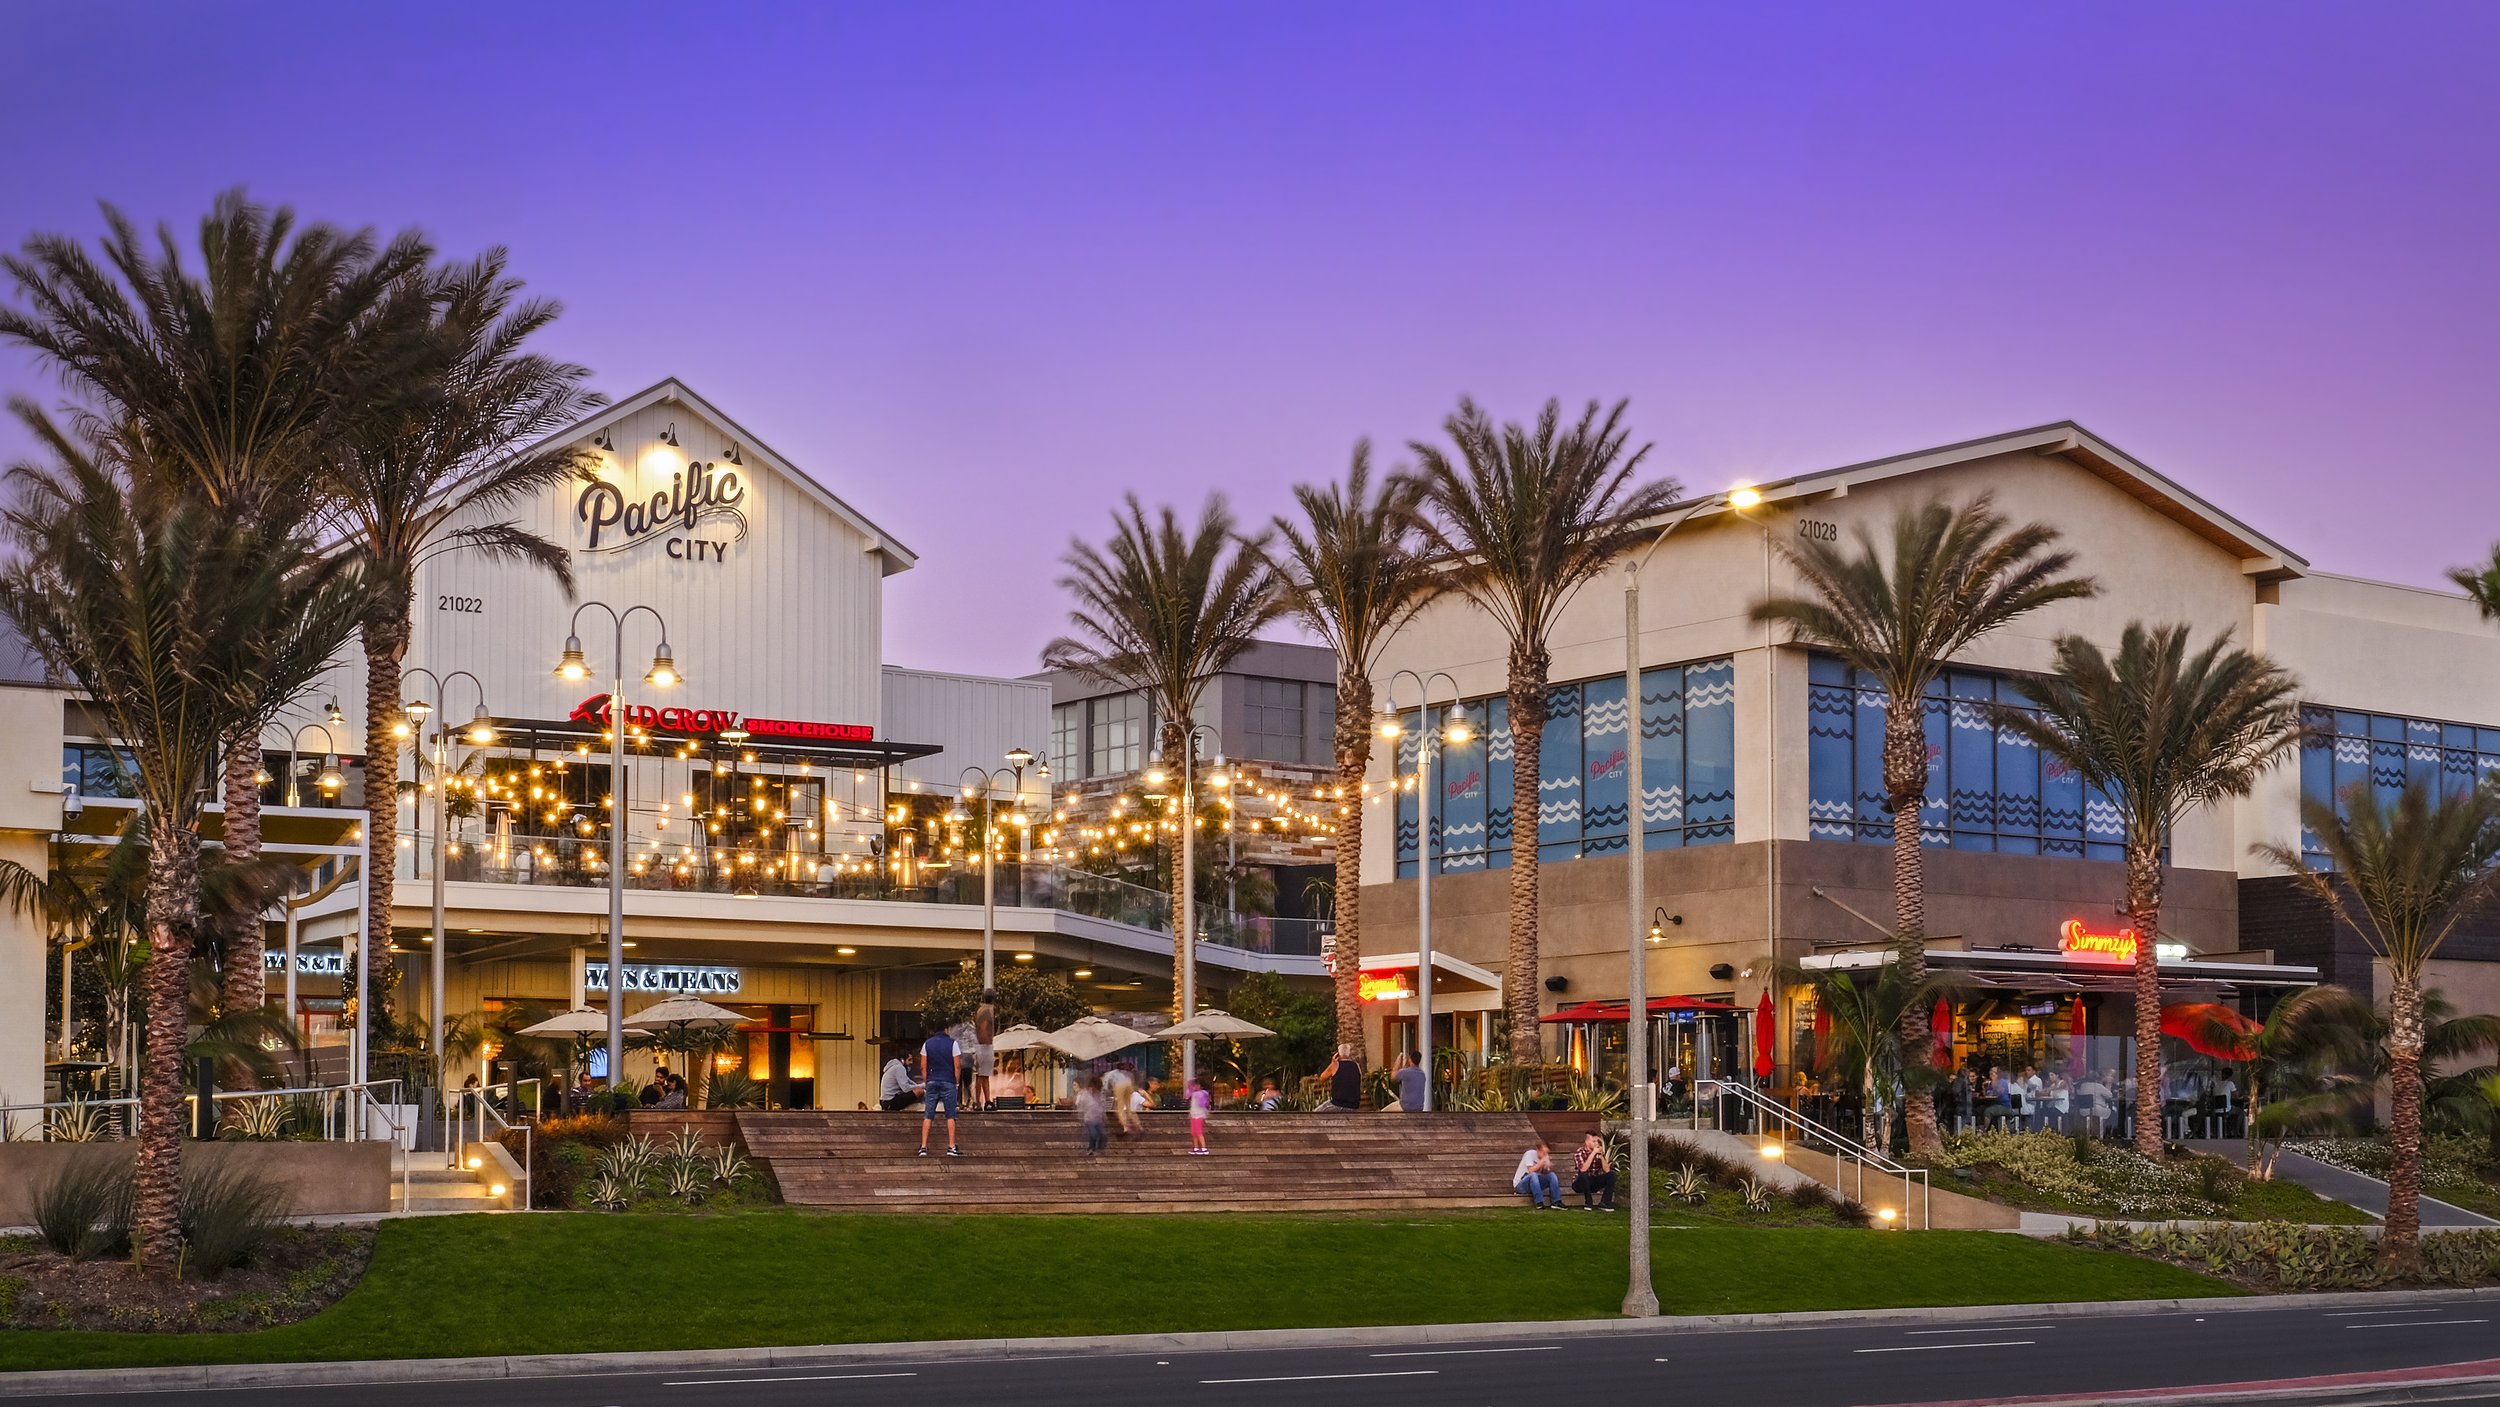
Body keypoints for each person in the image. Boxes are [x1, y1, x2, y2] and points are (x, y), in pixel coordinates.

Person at [918, 1024, 961, 1157]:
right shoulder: (953, 1043)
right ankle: (951, 1146)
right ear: (946, 1029)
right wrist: (956, 1082)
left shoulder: (927, 1044)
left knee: (928, 1114)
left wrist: (927, 1081)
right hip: (948, 1081)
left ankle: (924, 1146)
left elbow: (923, 1066)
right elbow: (957, 1066)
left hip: (932, 1080)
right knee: (950, 1115)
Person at [1572, 1133, 1618, 1211]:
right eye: (1593, 1141)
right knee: (1584, 1175)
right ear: (1587, 1142)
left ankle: (1605, 1203)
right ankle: (1589, 1203)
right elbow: (1583, 1169)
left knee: (1612, 1175)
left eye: (1597, 1141)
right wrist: (1593, 1153)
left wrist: (1601, 1156)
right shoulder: (1580, 1152)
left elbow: (1607, 1170)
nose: (1596, 1143)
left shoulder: (1598, 1154)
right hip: (1580, 1184)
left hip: (1593, 1182)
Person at [1513, 1137, 1561, 1209]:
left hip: (1535, 1184)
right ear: (1538, 1150)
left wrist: (1547, 1167)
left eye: (1547, 1153)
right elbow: (1531, 1170)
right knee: (1533, 1175)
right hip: (1521, 1185)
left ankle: (1556, 1202)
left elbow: (1544, 1174)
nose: (1545, 1155)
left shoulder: (1544, 1158)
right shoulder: (1529, 1154)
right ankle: (1539, 1202)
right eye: (1544, 1153)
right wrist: (1541, 1163)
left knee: (1552, 1175)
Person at [972, 989, 999, 1112]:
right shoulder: (987, 1010)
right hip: (984, 1046)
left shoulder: (981, 1010)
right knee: (983, 1074)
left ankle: (981, 1100)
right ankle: (983, 1101)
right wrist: (986, 1042)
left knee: (981, 1075)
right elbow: (983, 1028)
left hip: (980, 1045)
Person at [879, 1046, 923, 1112]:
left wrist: (923, 1085)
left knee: (919, 1090)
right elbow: (906, 1088)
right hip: (889, 1102)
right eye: (909, 1060)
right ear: (902, 1060)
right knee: (919, 1091)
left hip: (886, 1101)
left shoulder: (896, 1067)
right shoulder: (899, 1068)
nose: (911, 1062)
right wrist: (921, 1088)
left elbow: (909, 1082)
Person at [1319, 1044, 1363, 1111]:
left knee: (1314, 1114)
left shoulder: (1335, 1065)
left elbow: (1322, 1077)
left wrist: (1332, 1062)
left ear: (1338, 1054)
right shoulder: (1357, 1066)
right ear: (1349, 1054)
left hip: (1338, 1104)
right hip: (1354, 1106)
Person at [1103, 1062, 1138, 1137]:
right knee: (1128, 1108)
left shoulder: (1108, 1074)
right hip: (1128, 1085)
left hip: (1119, 1086)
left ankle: (1126, 1127)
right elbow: (1132, 1087)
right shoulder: (1129, 1074)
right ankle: (1138, 1126)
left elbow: (1105, 1088)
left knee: (1119, 1108)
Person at [1074, 1074, 1107, 1154]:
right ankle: (1091, 1148)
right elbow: (1081, 1105)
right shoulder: (1085, 1094)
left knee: (1103, 1135)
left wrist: (1104, 1115)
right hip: (1089, 1119)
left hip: (1098, 1119)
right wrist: (1080, 1115)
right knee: (1093, 1134)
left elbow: (1102, 1106)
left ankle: (1098, 1149)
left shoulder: (1099, 1095)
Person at [1188, 1077, 1212, 1155]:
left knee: (1198, 1132)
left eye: (1196, 1085)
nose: (1195, 1087)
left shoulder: (1203, 1093)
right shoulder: (1194, 1093)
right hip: (1193, 1114)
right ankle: (1196, 1147)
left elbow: (1203, 1103)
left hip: (1199, 1115)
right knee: (1193, 1132)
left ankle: (1204, 1148)